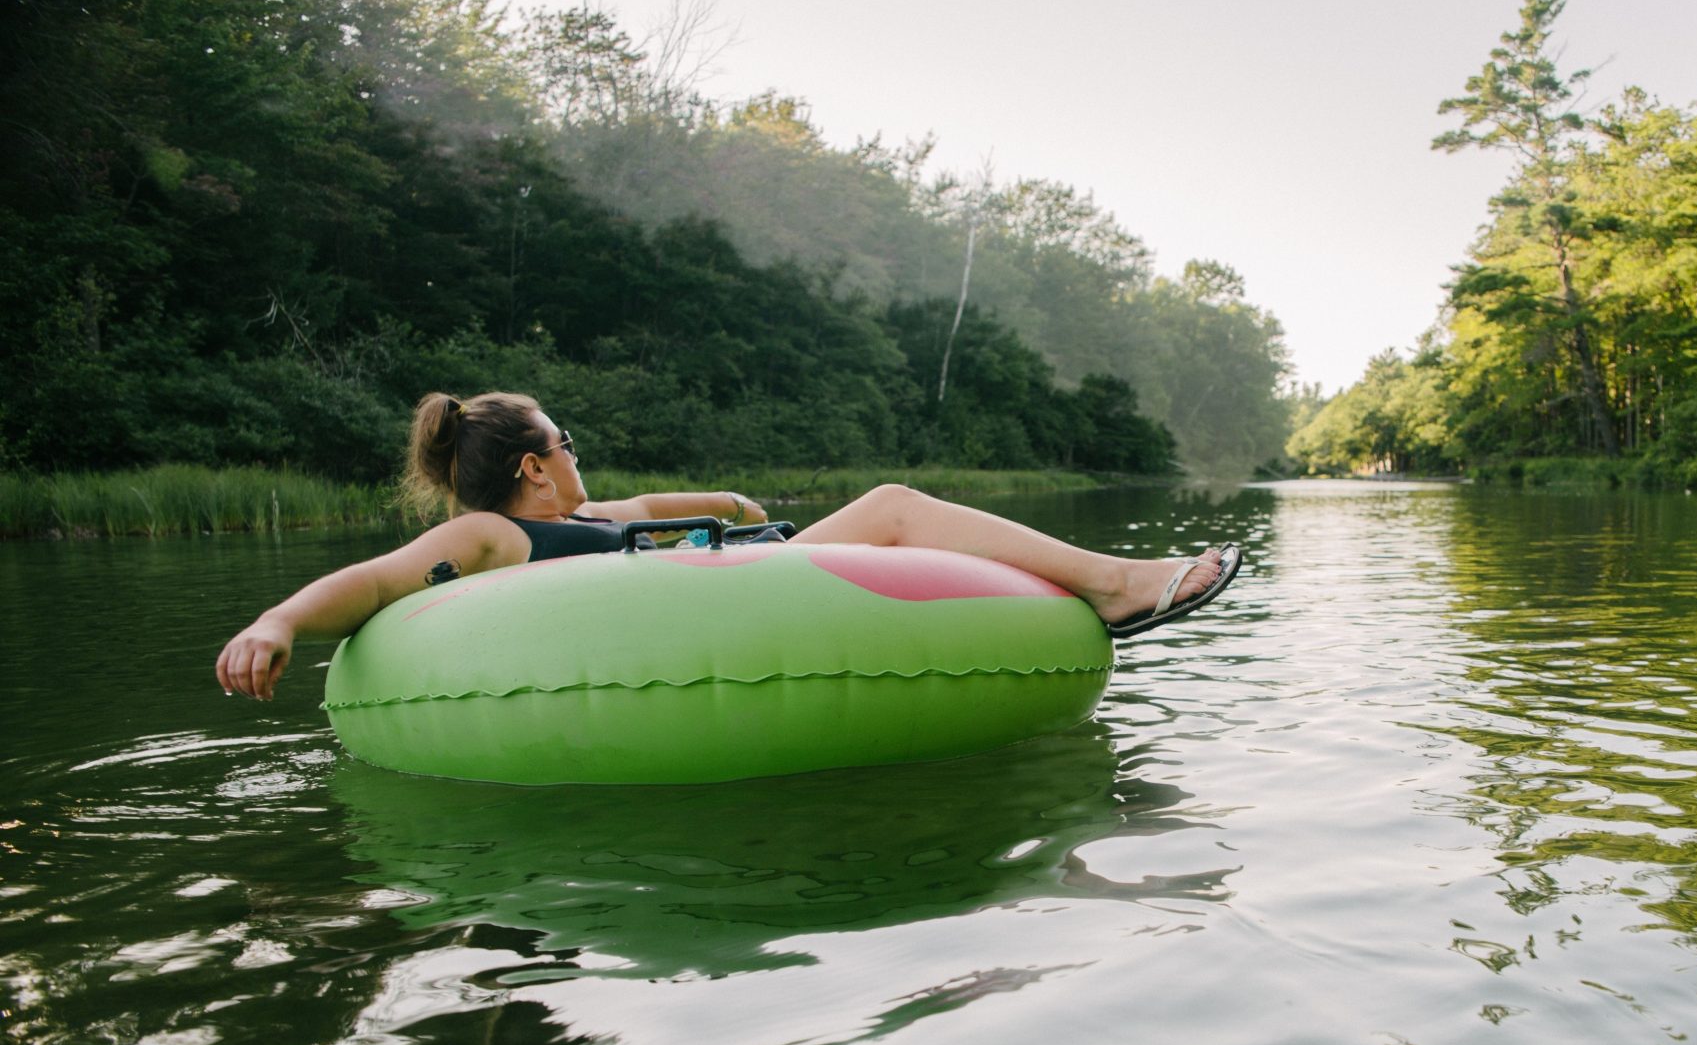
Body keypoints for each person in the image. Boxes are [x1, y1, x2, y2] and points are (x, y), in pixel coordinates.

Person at [216, 391, 1241, 701]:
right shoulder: (488, 535)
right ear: (533, 467)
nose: (579, 453)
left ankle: (1100, 588)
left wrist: (737, 501)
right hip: (708, 611)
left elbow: (665, 500)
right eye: (565, 442)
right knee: (890, 502)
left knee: (892, 513)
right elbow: (380, 577)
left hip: (738, 572)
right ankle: (1118, 585)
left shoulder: (590, 522)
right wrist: (280, 619)